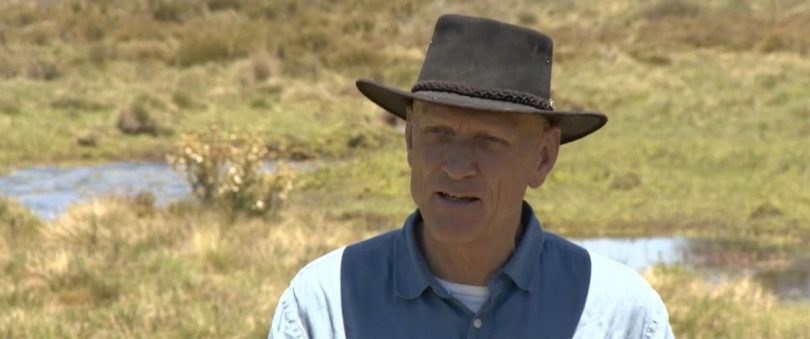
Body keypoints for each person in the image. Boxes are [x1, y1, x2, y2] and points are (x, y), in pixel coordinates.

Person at [269, 14, 674, 339]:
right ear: (410, 139)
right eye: (438, 134)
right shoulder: (323, 306)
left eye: (489, 141)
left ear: (543, 157)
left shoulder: (623, 316)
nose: (457, 166)